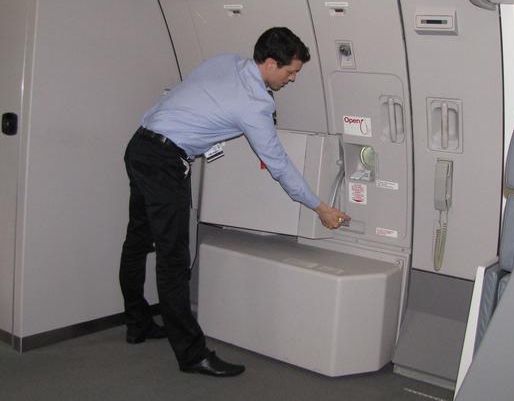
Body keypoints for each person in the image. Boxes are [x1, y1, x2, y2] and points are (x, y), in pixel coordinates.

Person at [119, 27, 350, 378]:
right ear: (271, 63)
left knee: (138, 240)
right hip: (165, 163)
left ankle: (137, 323)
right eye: (290, 72)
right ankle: (192, 354)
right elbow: (280, 166)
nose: (292, 79)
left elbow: (182, 95)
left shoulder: (225, 61)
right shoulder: (255, 104)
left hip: (140, 144)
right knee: (173, 260)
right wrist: (319, 206)